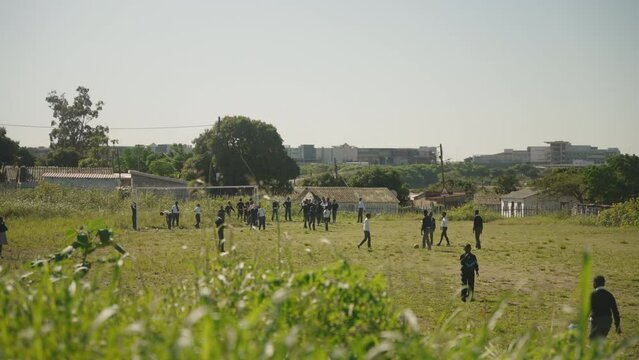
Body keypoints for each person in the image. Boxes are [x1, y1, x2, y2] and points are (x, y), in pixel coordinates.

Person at [589, 275, 621, 340]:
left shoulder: (593, 295)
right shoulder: (609, 295)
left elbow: (588, 309)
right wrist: (617, 325)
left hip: (597, 320)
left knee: (592, 340)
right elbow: (615, 311)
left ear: (595, 283)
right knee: (601, 339)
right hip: (607, 321)